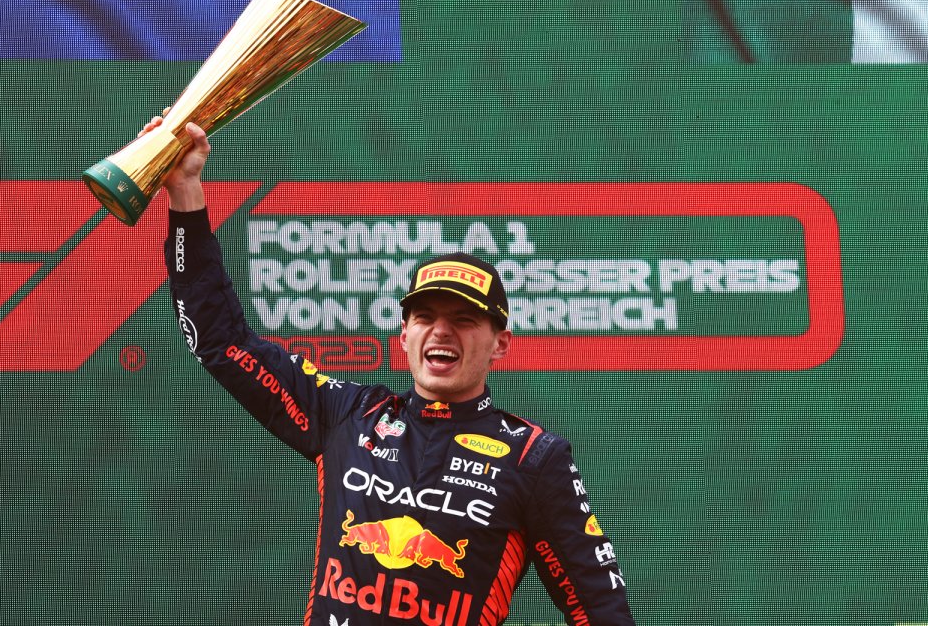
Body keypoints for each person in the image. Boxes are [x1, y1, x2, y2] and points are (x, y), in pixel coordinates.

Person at [153, 117, 636, 625]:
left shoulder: (534, 458)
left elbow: (601, 608)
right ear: (404, 335)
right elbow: (221, 341)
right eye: (425, 317)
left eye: (464, 320)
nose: (441, 331)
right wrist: (185, 193)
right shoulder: (347, 413)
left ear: (501, 344)